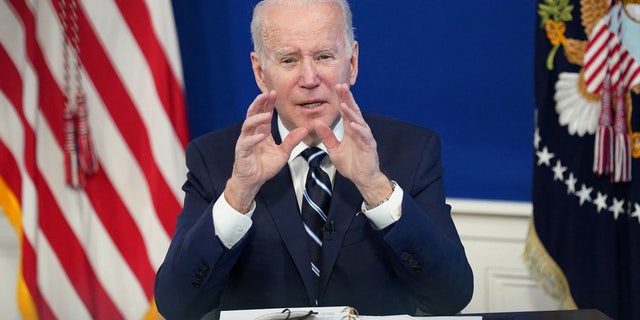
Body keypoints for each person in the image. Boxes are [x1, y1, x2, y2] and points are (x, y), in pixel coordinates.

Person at [154, 0, 473, 319]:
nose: (309, 78)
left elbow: (451, 297)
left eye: (324, 56)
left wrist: (376, 188)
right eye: (289, 60)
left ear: (352, 61)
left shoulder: (411, 150)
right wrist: (239, 194)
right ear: (261, 73)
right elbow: (177, 307)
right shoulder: (215, 158)